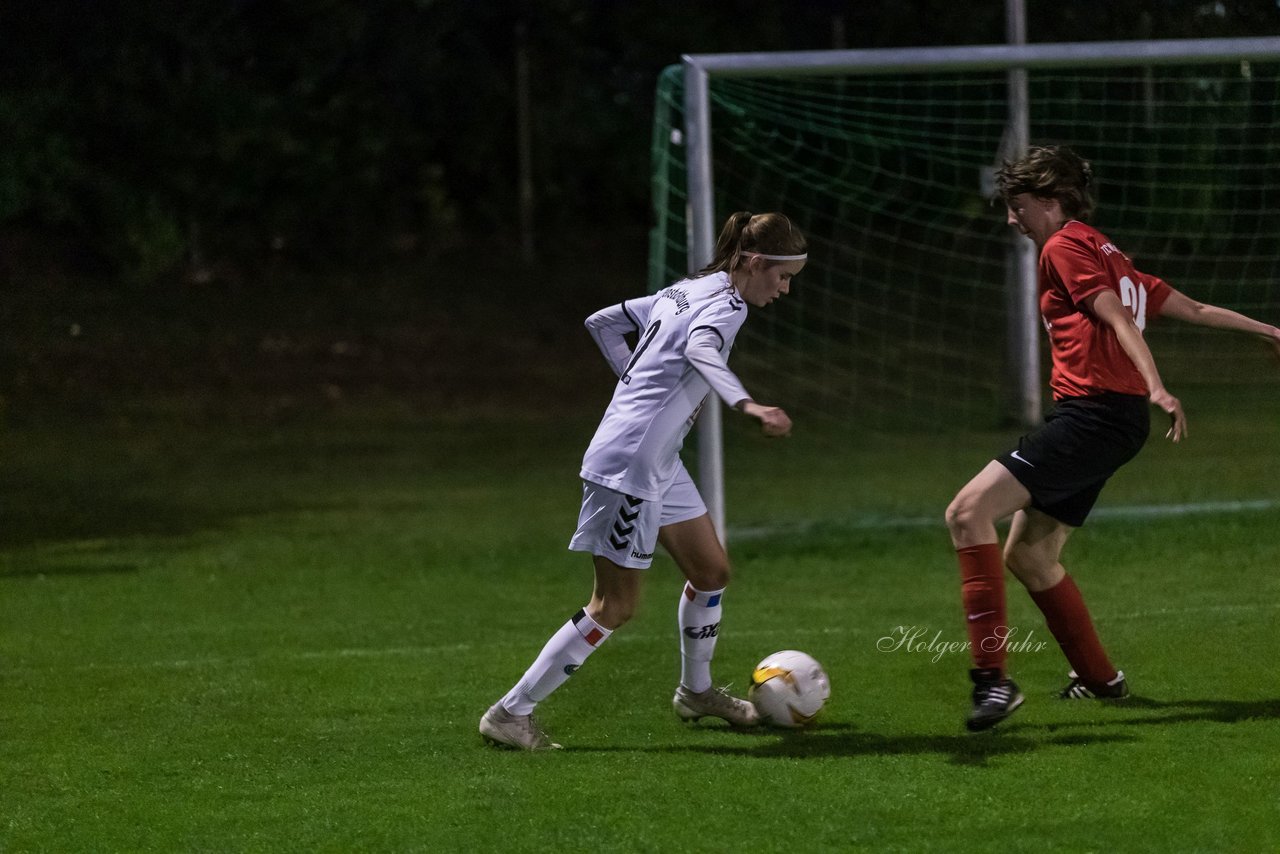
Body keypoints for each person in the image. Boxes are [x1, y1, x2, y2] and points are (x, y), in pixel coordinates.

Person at [946, 144, 1280, 732]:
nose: (1010, 218)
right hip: (1109, 421)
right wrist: (1267, 329)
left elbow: (1116, 317)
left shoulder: (1063, 247)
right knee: (1030, 555)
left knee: (967, 511)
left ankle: (992, 683)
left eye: (1016, 206)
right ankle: (1101, 679)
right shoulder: (1108, 252)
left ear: (1049, 201)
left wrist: (1158, 386)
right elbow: (1195, 308)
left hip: (1095, 417)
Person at [479, 211, 807, 750]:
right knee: (614, 606)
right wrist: (745, 404)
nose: (785, 289)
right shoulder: (725, 309)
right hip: (629, 466)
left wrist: (641, 385)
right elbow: (701, 350)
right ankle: (511, 713)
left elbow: (600, 322)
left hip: (657, 460)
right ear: (753, 263)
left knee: (711, 571)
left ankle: (696, 692)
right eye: (783, 277)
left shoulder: (685, 290)